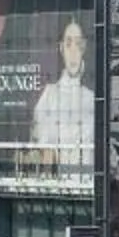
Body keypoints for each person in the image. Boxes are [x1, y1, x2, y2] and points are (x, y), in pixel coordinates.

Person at [30, 16, 97, 171]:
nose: (73, 51)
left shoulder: (91, 98)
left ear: (84, 48)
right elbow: (43, 148)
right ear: (61, 48)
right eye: (68, 44)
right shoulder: (49, 95)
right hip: (60, 182)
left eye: (78, 44)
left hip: (87, 181)